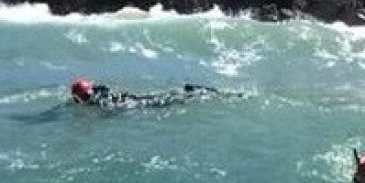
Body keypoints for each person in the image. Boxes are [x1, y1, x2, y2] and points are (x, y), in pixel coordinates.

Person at [69, 78, 241, 109]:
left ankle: (199, 92)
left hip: (137, 104)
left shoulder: (97, 102)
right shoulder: (100, 96)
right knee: (173, 98)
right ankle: (220, 94)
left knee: (175, 99)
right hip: (137, 102)